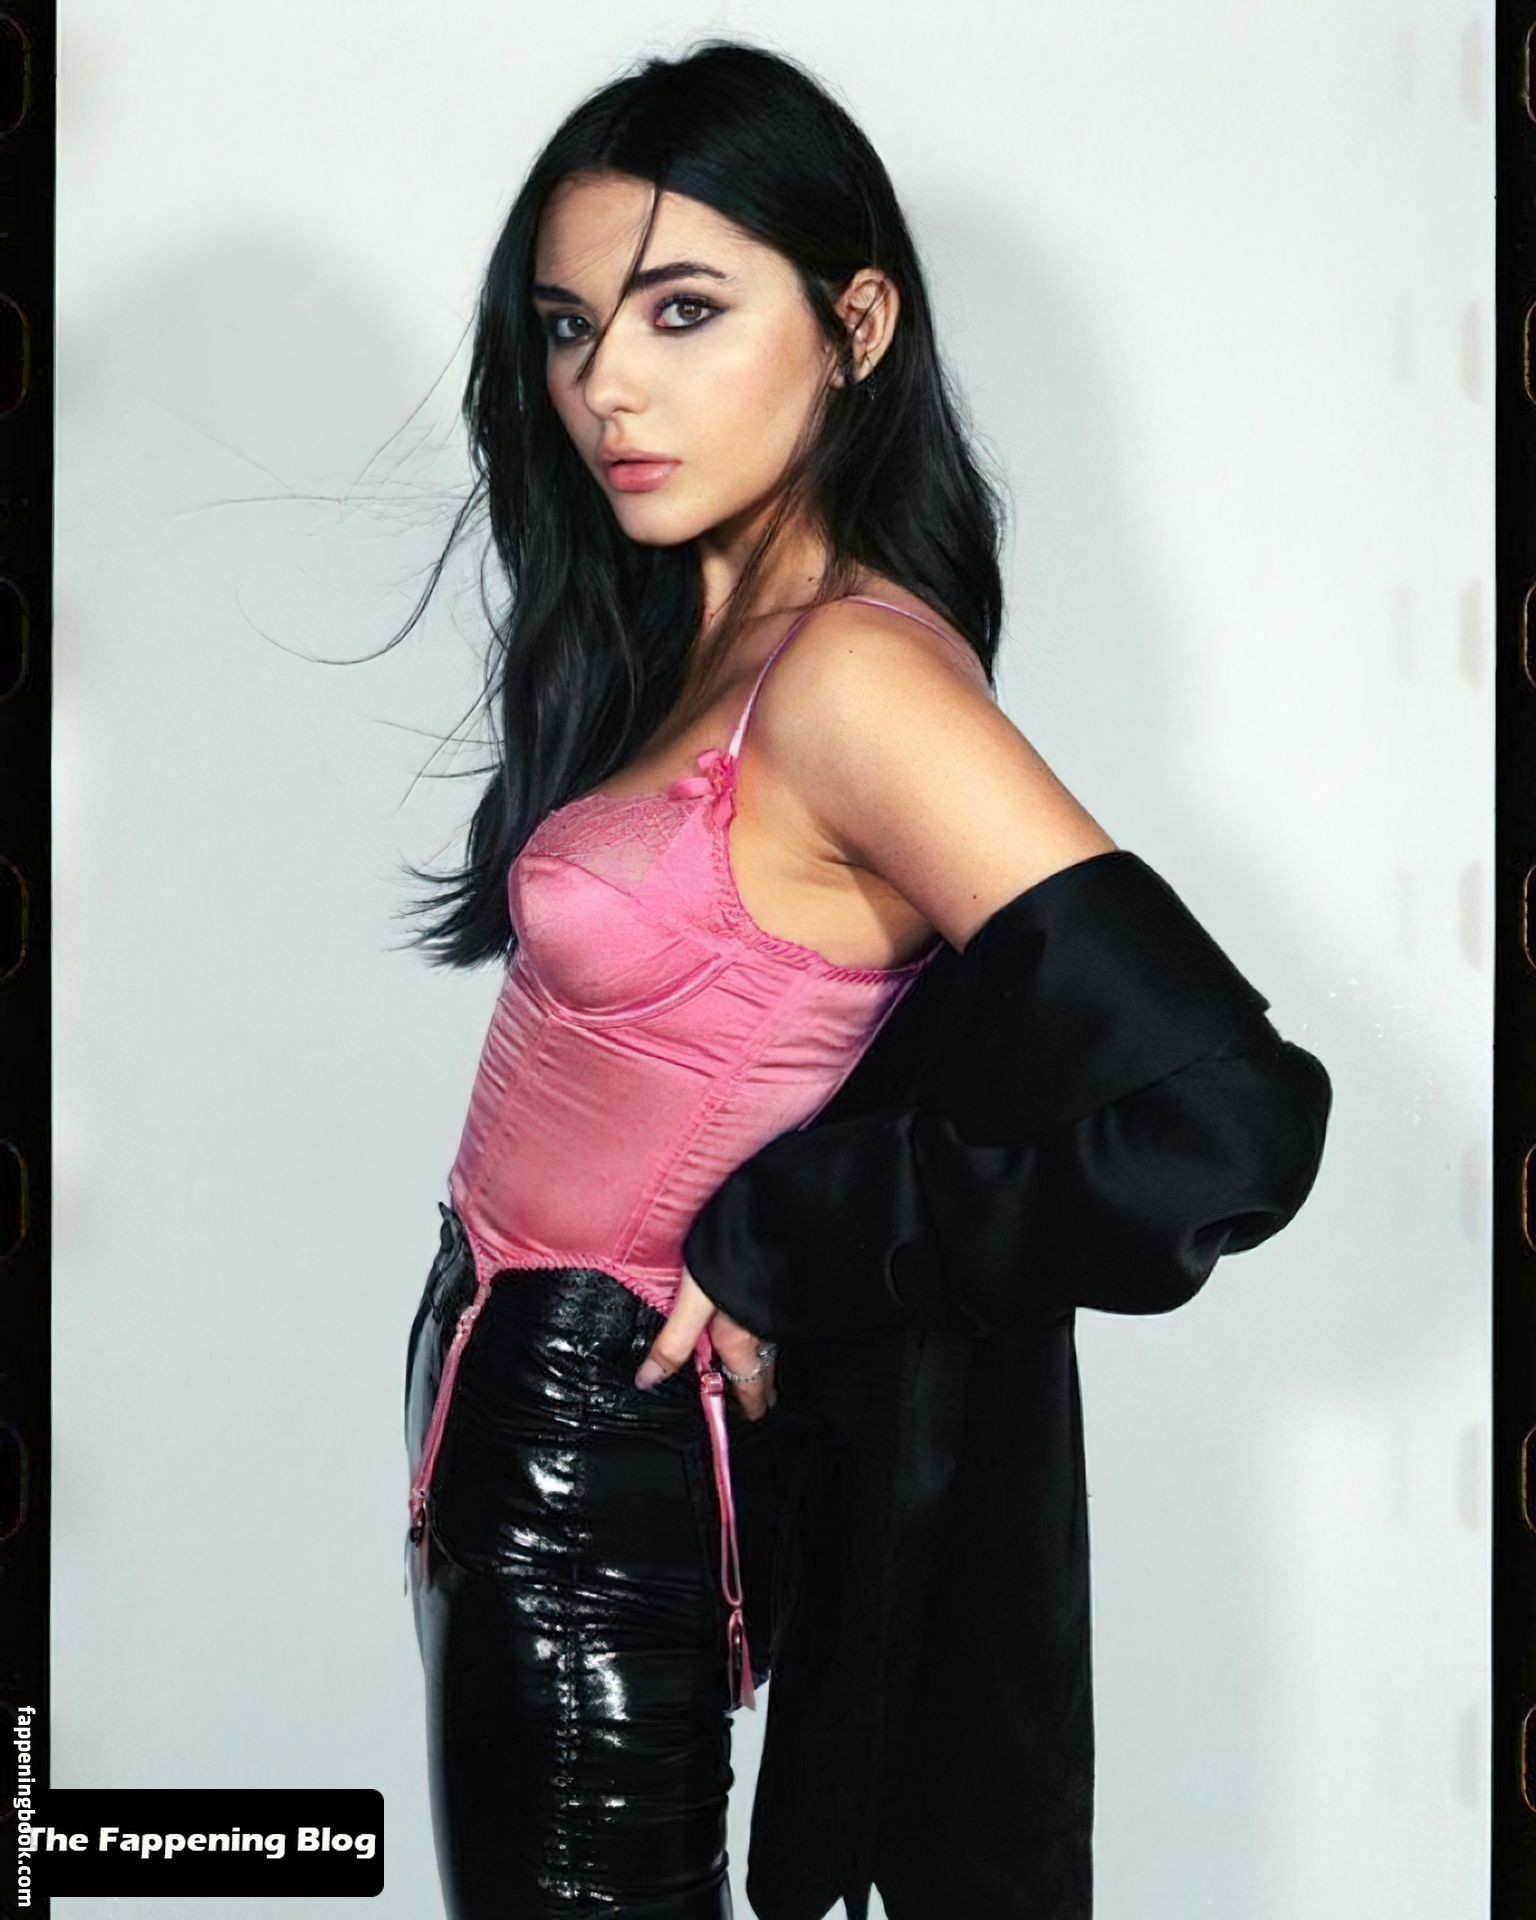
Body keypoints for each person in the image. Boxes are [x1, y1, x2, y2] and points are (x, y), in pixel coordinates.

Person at [397, 35, 1331, 1920]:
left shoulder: (854, 680)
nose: (609, 386)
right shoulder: (701, 632)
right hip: (502, 1405)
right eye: (571, 328)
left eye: (684, 311)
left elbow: (1228, 1122)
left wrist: (797, 1231)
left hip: (601, 1454)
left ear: (857, 324)